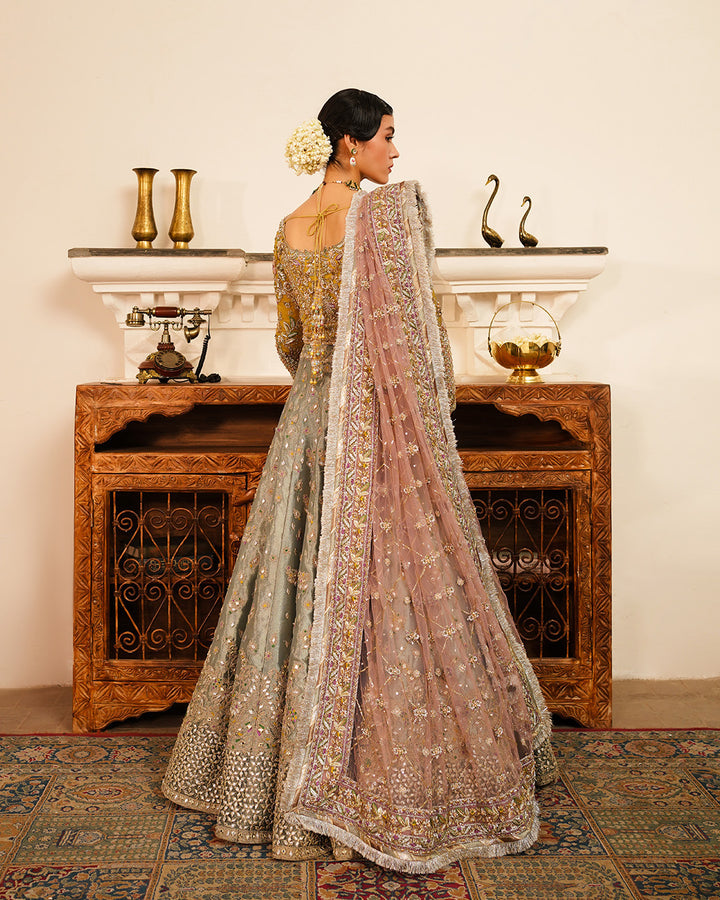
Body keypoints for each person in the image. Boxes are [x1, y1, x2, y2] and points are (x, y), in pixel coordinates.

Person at [162, 88, 557, 873]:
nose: (396, 152)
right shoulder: (383, 218)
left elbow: (289, 338)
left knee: (293, 581)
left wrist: (320, 384)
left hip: (307, 422)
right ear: (350, 143)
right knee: (390, 578)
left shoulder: (288, 226)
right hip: (372, 424)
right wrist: (422, 418)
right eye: (387, 136)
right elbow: (416, 338)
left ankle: (265, 774)